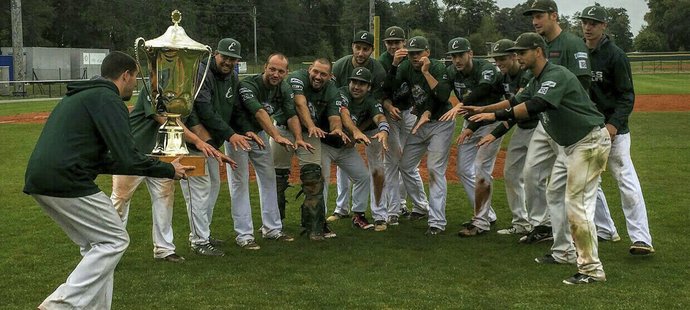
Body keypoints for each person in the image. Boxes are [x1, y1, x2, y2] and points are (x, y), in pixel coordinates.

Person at [24, 51, 193, 309]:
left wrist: (163, 168)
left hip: (43, 178)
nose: (135, 84)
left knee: (97, 246)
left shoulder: (85, 95)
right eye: (135, 78)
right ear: (125, 75)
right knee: (115, 239)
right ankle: (59, 305)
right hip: (68, 179)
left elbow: (105, 160)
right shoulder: (108, 99)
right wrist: (168, 170)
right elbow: (128, 158)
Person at [467, 32, 611, 284]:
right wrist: (482, 109)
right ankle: (564, 251)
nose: (518, 57)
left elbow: (535, 106)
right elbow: (514, 101)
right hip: (570, 146)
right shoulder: (536, 79)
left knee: (577, 203)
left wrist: (493, 117)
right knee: (554, 194)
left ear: (538, 51)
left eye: (522, 52)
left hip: (589, 143)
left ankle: (591, 269)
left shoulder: (555, 75)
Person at [110, 83, 231, 263]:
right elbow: (165, 118)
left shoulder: (181, 89)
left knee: (164, 199)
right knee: (120, 200)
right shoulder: (151, 86)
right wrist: (198, 142)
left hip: (161, 154)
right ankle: (109, 250)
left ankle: (164, 249)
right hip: (134, 152)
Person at [517, 0, 592, 269]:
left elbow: (582, 85)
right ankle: (544, 225)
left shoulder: (572, 44)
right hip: (546, 120)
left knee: (578, 186)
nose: (535, 21)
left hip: (570, 124)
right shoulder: (540, 49)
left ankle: (602, 231)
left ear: (554, 16)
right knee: (532, 173)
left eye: (540, 16)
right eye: (532, 17)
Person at [579, 5, 655, 255]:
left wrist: (612, 125)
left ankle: (642, 238)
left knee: (625, 180)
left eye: (593, 23)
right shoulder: (578, 52)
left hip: (615, 130)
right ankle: (605, 228)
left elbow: (626, 95)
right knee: (587, 181)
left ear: (604, 26)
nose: (588, 27)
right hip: (587, 129)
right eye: (585, 22)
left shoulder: (615, 55)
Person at [182, 38, 256, 255]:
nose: (228, 62)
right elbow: (203, 108)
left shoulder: (232, 75)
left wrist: (242, 129)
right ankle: (199, 241)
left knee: (212, 186)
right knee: (198, 192)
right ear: (215, 54)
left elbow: (233, 109)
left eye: (233, 59)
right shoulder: (201, 72)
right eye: (225, 57)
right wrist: (230, 135)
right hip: (195, 141)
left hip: (211, 142)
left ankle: (203, 233)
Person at [385, 36, 453, 235]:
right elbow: (389, 88)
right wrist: (395, 65)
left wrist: (425, 72)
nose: (415, 57)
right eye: (412, 53)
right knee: (405, 165)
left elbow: (442, 96)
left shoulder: (439, 68)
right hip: (420, 123)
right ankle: (422, 207)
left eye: (419, 53)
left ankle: (437, 222)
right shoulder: (405, 67)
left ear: (427, 52)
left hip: (441, 123)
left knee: (434, 170)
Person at [228, 53, 296, 250]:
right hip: (238, 135)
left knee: (268, 178)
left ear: (286, 72)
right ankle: (244, 235)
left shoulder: (283, 87)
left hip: (259, 134)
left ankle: (272, 229)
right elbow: (259, 112)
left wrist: (298, 138)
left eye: (280, 71)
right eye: (272, 69)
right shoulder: (249, 84)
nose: (275, 74)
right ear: (265, 67)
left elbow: (291, 113)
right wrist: (276, 135)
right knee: (239, 182)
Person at [439, 37, 505, 237]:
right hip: (471, 123)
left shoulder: (485, 67)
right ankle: (487, 214)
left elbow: (483, 90)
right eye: (453, 56)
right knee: (462, 169)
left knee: (481, 168)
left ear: (470, 53)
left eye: (460, 55)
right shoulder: (451, 71)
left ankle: (481, 222)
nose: (457, 60)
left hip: (492, 123)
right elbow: (442, 91)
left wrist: (461, 104)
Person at [277, 58, 342, 240]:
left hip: (310, 133)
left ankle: (314, 226)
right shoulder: (297, 77)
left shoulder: (332, 89)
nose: (318, 76)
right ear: (309, 69)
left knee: (314, 177)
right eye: (315, 71)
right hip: (285, 129)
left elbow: (334, 115)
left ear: (330, 76)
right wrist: (311, 124)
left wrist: (337, 129)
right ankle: (275, 224)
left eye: (323, 74)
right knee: (277, 177)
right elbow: (300, 103)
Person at [478, 39, 537, 236]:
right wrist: (491, 134)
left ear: (514, 56)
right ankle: (521, 223)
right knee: (511, 173)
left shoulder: (526, 74)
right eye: (496, 59)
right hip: (522, 127)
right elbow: (513, 114)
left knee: (537, 177)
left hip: (541, 127)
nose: (499, 63)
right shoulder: (503, 77)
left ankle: (544, 225)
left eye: (502, 58)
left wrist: (492, 128)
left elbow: (515, 107)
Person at [329, 30, 387, 224]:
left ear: (371, 50)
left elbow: (376, 109)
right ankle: (341, 208)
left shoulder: (378, 72)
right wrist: (349, 132)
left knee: (377, 166)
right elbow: (337, 104)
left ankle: (379, 213)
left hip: (368, 124)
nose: (361, 53)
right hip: (345, 123)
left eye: (366, 49)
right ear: (352, 47)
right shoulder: (339, 67)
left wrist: (359, 132)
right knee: (343, 167)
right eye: (358, 48)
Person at [323, 67, 390, 231]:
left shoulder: (370, 100)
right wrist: (356, 132)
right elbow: (344, 114)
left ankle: (358, 215)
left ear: (368, 87)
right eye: (354, 82)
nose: (356, 86)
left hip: (345, 149)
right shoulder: (341, 93)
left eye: (362, 84)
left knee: (363, 177)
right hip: (326, 145)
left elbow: (380, 116)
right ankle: (318, 219)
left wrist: (383, 130)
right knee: (321, 179)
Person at [378, 25, 420, 224]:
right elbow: (382, 90)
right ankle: (392, 209)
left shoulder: (412, 57)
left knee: (410, 162)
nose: (394, 46)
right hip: (390, 112)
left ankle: (411, 204)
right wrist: (387, 105)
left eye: (397, 42)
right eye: (390, 42)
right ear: (385, 44)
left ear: (404, 42)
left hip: (410, 110)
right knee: (392, 161)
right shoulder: (381, 62)